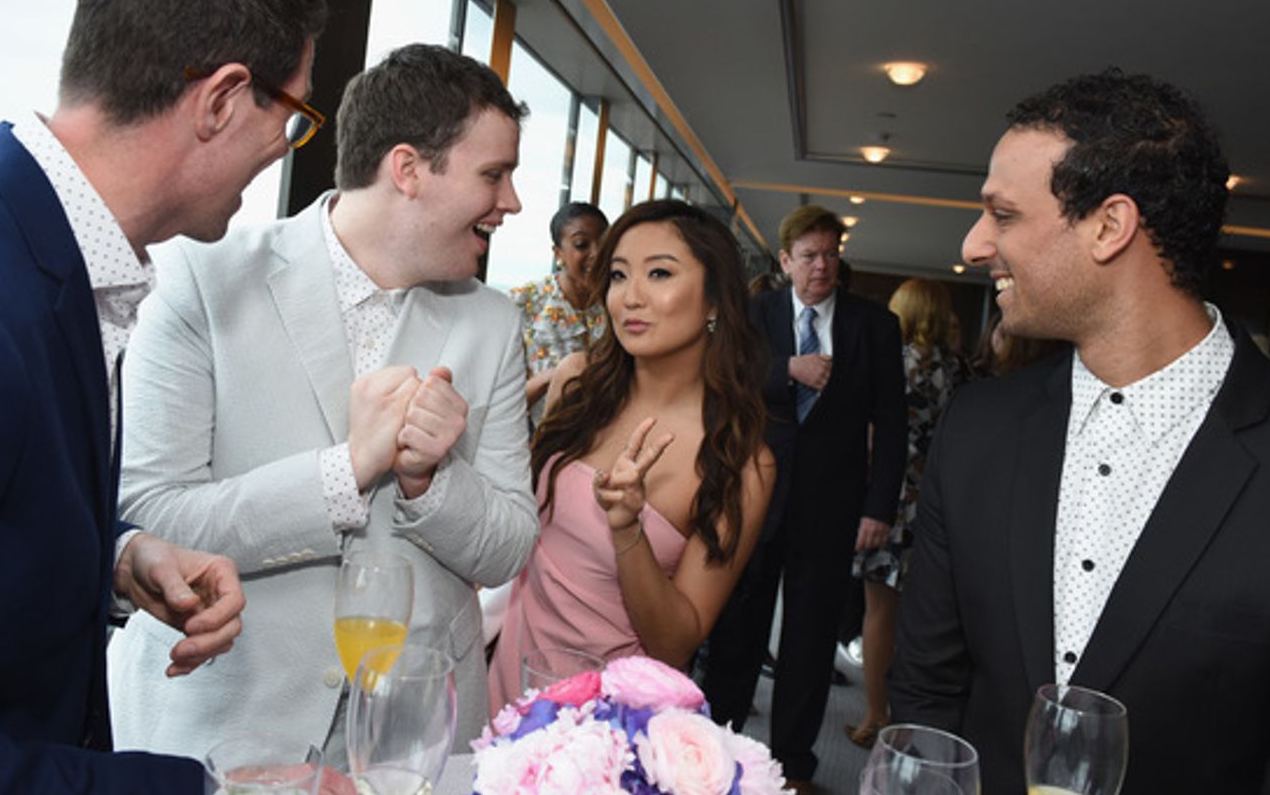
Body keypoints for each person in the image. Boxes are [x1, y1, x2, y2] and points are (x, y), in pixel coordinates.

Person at [0, 0, 328, 792]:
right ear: (224, 98)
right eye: (293, 115)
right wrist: (210, 790)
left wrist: (120, 557)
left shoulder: (30, 249)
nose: (286, 146)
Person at [106, 43, 540, 760]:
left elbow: (508, 547)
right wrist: (346, 470)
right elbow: (152, 514)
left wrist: (430, 479)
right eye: (493, 174)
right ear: (407, 169)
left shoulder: (494, 322)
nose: (511, 202)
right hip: (228, 728)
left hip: (411, 738)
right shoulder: (201, 280)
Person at [890, 69, 1270, 793]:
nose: (975, 245)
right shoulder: (978, 429)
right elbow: (927, 692)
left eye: (1002, 215)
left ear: (1109, 226)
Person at [488, 200, 774, 710]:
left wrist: (628, 531)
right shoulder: (576, 384)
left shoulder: (737, 460)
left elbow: (675, 642)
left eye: (659, 273)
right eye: (618, 276)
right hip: (507, 677)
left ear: (714, 301)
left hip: (608, 722)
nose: (630, 297)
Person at [702, 204, 907, 789]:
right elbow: (720, 376)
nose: (822, 266)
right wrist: (785, 368)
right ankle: (721, 753)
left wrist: (878, 506)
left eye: (831, 254)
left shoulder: (875, 326)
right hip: (755, 497)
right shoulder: (753, 314)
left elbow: (891, 423)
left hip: (832, 506)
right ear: (785, 260)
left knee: (810, 645)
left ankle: (793, 765)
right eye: (810, 256)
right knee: (737, 634)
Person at [845, 278, 969, 748]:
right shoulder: (958, 368)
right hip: (940, 501)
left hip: (892, 499)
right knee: (923, 616)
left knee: (879, 613)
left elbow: (874, 435)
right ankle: (909, 718)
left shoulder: (899, 364)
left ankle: (877, 716)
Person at [509, 201, 609, 424]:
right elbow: (498, 405)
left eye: (604, 243)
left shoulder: (619, 304)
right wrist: (556, 377)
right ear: (558, 253)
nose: (596, 253)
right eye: (582, 244)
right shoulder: (523, 303)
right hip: (534, 442)